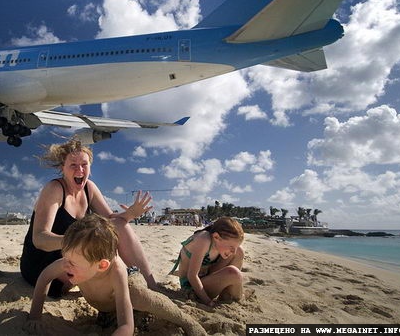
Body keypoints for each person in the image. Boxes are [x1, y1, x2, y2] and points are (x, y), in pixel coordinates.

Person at [26, 214, 207, 336]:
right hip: (107, 305)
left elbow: (126, 327)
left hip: (130, 278)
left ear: (101, 265)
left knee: (137, 295)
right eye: (64, 257)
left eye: (71, 262)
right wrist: (35, 315)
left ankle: (186, 321)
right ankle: (109, 314)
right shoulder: (72, 260)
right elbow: (44, 277)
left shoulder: (116, 271)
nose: (64, 265)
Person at [20, 138, 156, 299]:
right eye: (73, 165)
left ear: (90, 166)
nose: (80, 170)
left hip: (75, 258)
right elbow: (39, 238)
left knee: (120, 224)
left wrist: (130, 214)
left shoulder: (89, 188)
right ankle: (119, 295)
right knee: (96, 256)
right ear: (62, 168)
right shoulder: (54, 189)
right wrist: (78, 242)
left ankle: (152, 287)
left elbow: (111, 220)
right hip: (44, 266)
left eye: (84, 164)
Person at [169, 216, 245, 306]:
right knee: (234, 273)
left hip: (206, 278)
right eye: (231, 247)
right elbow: (192, 276)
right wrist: (207, 301)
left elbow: (235, 252)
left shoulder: (216, 242)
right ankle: (235, 297)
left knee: (240, 252)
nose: (233, 252)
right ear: (216, 237)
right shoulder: (203, 239)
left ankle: (228, 294)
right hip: (192, 287)